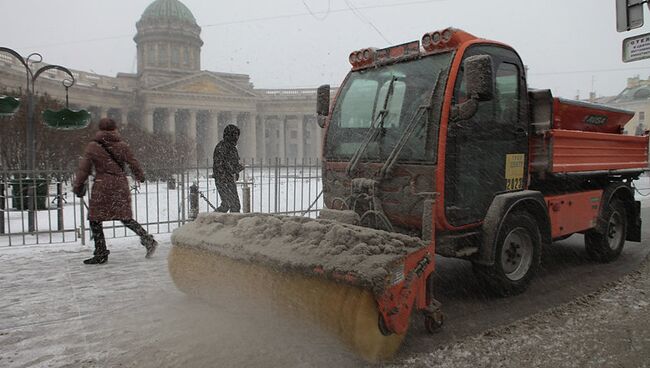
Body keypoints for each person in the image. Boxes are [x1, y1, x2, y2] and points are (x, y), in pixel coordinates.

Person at [73, 118, 157, 264]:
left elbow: (83, 169)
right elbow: (133, 162)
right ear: (114, 129)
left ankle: (100, 252)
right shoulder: (122, 145)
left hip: (102, 186)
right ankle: (148, 239)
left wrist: (78, 185)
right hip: (119, 184)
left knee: (95, 220)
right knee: (125, 217)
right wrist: (140, 176)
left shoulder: (93, 146)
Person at [212, 124, 244, 213]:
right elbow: (222, 165)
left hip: (228, 179)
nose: (237, 138)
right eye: (235, 135)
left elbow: (232, 164)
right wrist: (236, 169)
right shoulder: (222, 147)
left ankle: (219, 220)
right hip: (223, 180)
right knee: (230, 204)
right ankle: (213, 220)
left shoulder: (232, 148)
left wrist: (237, 169)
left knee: (232, 205)